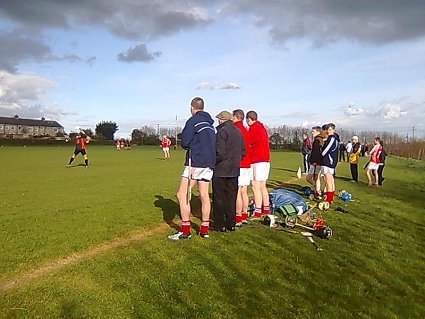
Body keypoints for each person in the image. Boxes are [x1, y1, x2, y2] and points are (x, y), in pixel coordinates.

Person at [168, 97, 216, 240]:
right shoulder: (210, 123)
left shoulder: (192, 121)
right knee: (204, 195)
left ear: (191, 107)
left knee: (181, 195)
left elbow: (185, 142)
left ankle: (186, 230)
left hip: (195, 162)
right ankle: (205, 230)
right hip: (209, 162)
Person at [212, 111, 246, 232]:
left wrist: (213, 162)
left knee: (219, 198)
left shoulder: (221, 132)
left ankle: (219, 224)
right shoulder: (239, 132)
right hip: (234, 170)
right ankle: (231, 224)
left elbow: (219, 152)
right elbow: (243, 152)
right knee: (231, 198)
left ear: (221, 120)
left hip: (221, 170)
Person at [246, 111, 270, 218]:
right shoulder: (262, 128)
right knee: (262, 186)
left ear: (249, 119)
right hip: (265, 161)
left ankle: (258, 211)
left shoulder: (254, 129)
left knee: (255, 186)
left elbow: (248, 142)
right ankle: (266, 208)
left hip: (257, 160)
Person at [232, 109, 251, 226]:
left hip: (240, 164)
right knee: (244, 191)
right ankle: (244, 214)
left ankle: (238, 216)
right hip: (247, 164)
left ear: (235, 117)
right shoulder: (246, 130)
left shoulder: (235, 129)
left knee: (238, 191)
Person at [321, 123, 340, 203]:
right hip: (331, 161)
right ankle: (331, 197)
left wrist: (321, 153)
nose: (328, 131)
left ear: (333, 130)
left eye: (330, 130)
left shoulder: (332, 138)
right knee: (331, 180)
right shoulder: (334, 138)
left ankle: (329, 199)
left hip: (328, 161)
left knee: (329, 181)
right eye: (327, 130)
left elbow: (327, 150)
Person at [306, 126, 324, 198]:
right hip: (317, 162)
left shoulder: (318, 140)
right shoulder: (319, 139)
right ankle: (317, 192)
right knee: (316, 177)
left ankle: (317, 191)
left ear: (318, 132)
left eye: (313, 131)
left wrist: (315, 161)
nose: (312, 133)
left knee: (309, 178)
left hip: (316, 162)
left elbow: (317, 152)